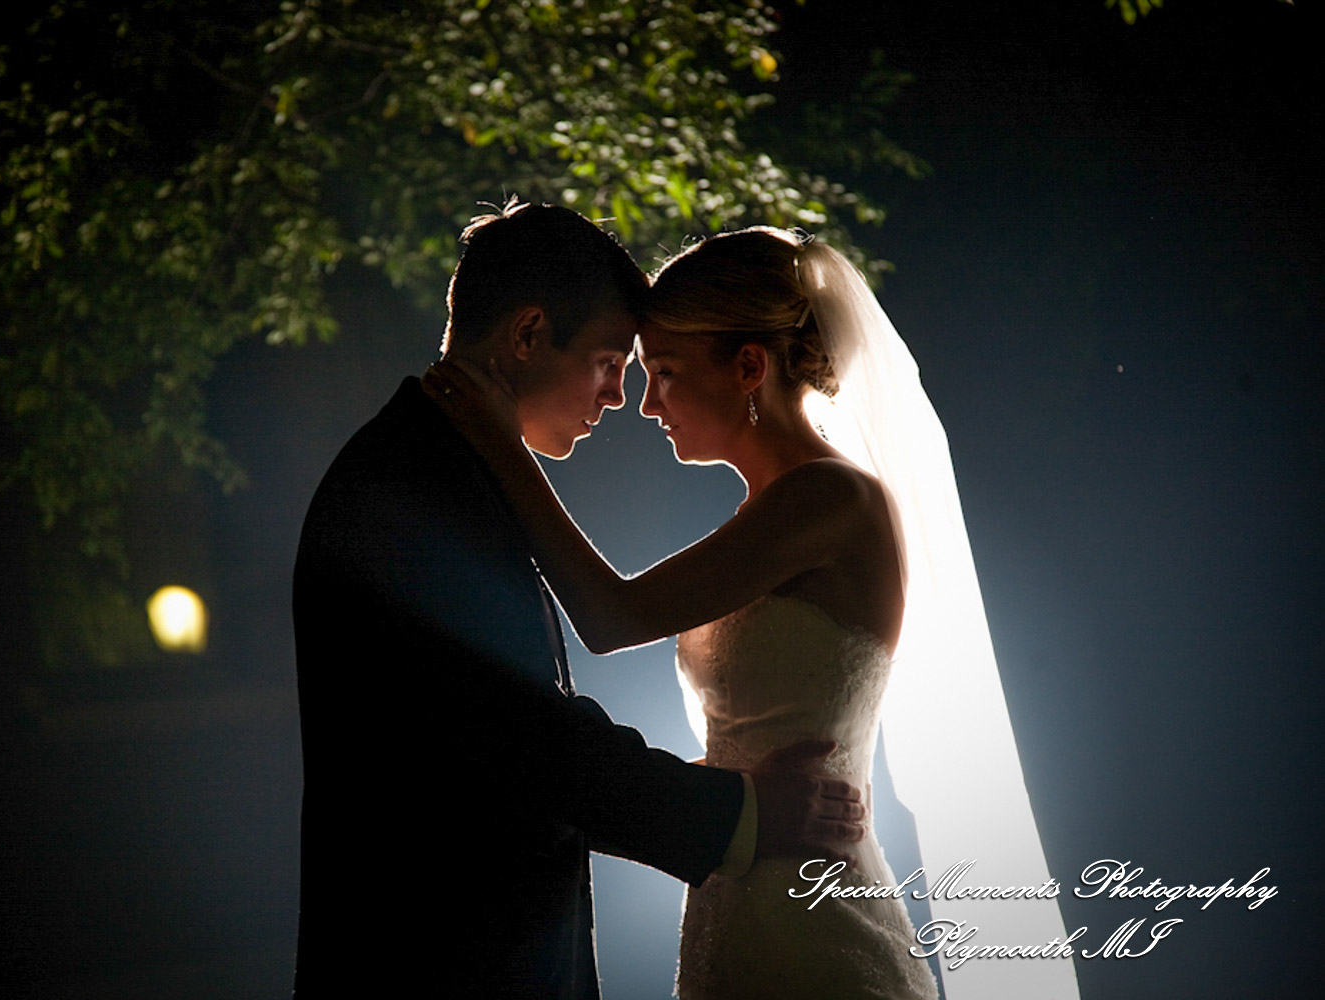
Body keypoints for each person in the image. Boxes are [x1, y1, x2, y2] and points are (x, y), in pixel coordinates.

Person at [428, 227, 1080, 999]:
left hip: (811, 921)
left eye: (664, 372)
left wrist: (499, 444)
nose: (645, 403)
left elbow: (612, 616)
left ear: (748, 368)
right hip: (738, 892)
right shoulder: (767, 514)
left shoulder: (830, 499)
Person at [292, 204, 869, 999]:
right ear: (528, 335)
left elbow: (503, 733)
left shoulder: (438, 469)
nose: (620, 397)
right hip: (439, 966)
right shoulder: (412, 489)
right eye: (610, 361)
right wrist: (733, 811)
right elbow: (526, 740)